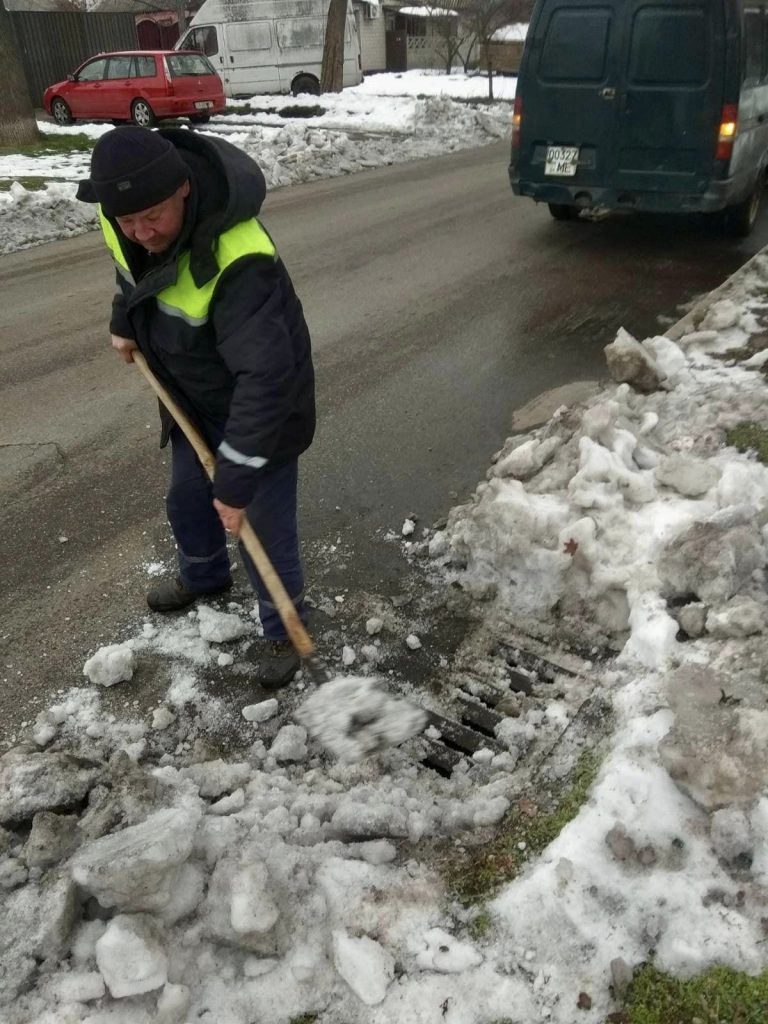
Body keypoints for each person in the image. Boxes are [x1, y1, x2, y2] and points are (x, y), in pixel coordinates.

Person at [77, 126, 315, 689]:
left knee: (262, 524)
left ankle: (285, 627)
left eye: (152, 217)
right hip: (193, 394)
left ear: (183, 188)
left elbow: (266, 376)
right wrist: (123, 319)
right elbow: (132, 273)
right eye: (127, 220)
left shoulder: (239, 257)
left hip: (262, 409)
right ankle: (204, 577)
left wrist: (235, 480)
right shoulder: (125, 220)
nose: (140, 231)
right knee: (188, 498)